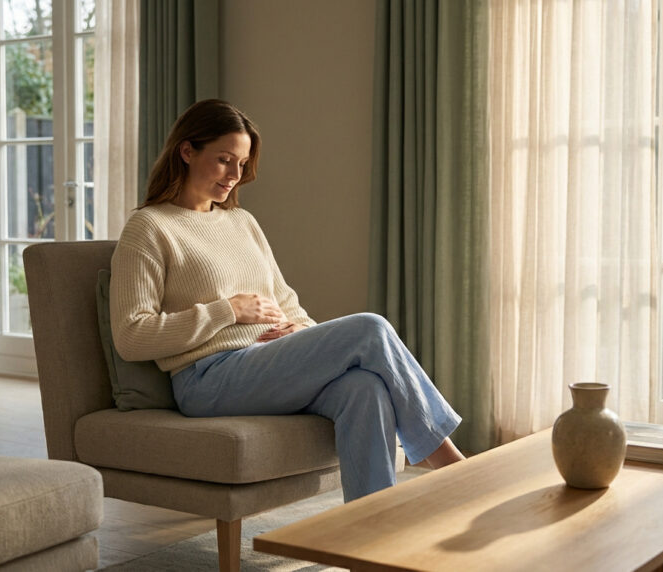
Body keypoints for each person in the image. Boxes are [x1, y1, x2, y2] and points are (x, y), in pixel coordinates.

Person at [110, 99, 465, 502]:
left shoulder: (241, 222)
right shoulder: (149, 227)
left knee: (365, 388)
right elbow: (131, 335)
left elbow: (284, 299)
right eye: (225, 160)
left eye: (242, 164)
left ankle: (370, 537)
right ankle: (451, 465)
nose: (234, 176)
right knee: (371, 327)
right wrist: (227, 311)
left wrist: (302, 331)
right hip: (206, 378)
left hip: (268, 362)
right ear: (187, 151)